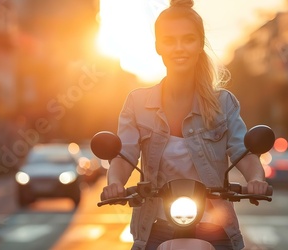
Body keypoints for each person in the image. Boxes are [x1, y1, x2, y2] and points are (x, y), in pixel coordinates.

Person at [100, 0, 268, 249]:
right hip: (155, 224)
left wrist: (256, 179)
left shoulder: (223, 103)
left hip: (214, 224)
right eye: (170, 40)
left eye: (188, 39)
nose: (179, 48)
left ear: (199, 44)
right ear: (158, 46)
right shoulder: (136, 103)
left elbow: (243, 151)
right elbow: (124, 154)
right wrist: (114, 183)